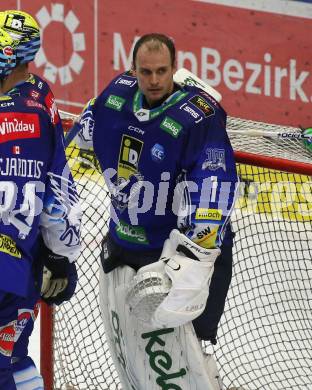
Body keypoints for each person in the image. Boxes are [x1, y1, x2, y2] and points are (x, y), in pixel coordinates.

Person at [72, 33, 238, 389]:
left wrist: (198, 253)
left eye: (162, 71)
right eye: (146, 72)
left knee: (187, 358)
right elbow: (81, 133)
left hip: (170, 254)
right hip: (122, 245)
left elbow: (214, 182)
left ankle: (205, 349)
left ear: (175, 69)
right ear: (134, 70)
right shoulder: (116, 95)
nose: (154, 80)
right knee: (134, 363)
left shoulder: (198, 116)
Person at [0, 12, 81, 390]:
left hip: (9, 267)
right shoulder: (41, 93)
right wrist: (62, 253)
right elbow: (56, 188)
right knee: (13, 359)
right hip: (23, 266)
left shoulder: (17, 112)